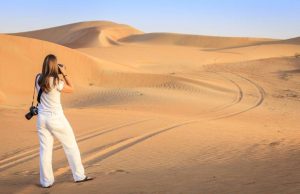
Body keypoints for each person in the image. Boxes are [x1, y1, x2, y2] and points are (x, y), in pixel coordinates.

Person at [35, 54, 93, 188]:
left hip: (42, 119)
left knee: (45, 150)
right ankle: (79, 176)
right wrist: (65, 74)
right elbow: (71, 88)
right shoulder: (57, 82)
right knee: (71, 146)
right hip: (57, 119)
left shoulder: (38, 78)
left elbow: (44, 81)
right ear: (55, 66)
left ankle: (46, 181)